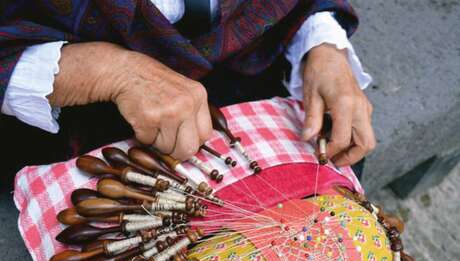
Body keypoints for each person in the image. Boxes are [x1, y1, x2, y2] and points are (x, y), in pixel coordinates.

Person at [0, 1, 374, 181]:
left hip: (235, 62)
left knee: (325, 184)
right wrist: (103, 71)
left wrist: (322, 44)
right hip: (70, 109)